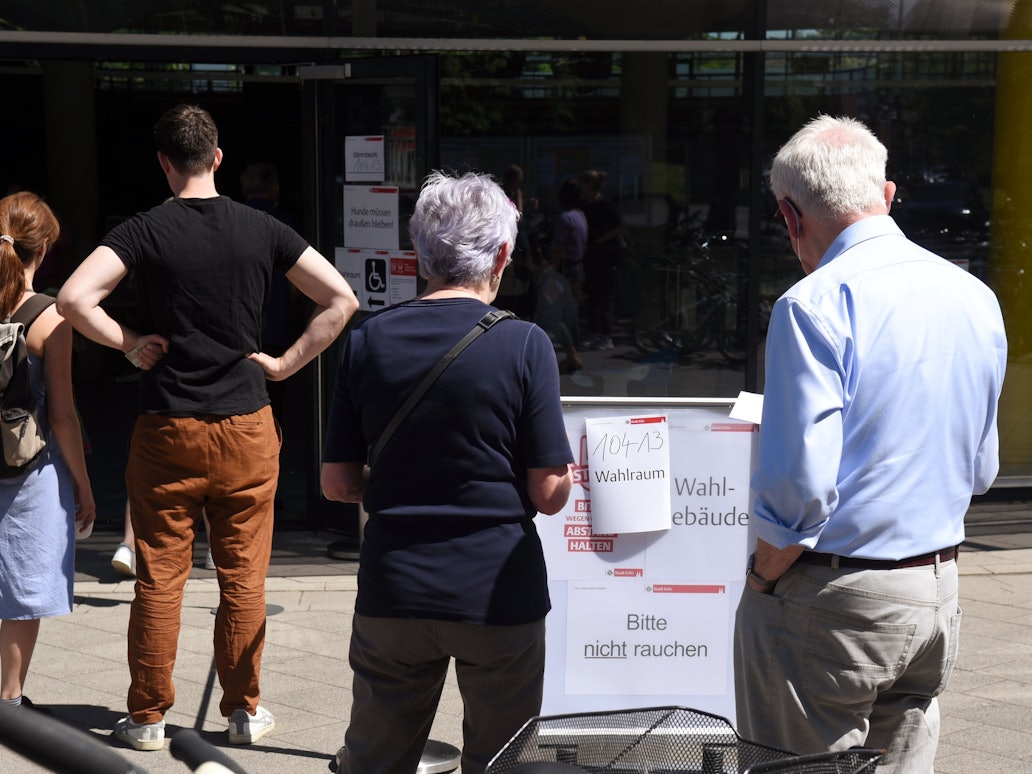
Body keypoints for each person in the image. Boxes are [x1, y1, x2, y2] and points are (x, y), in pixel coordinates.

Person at [56, 103, 359, 751]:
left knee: (159, 578)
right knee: (244, 577)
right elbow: (342, 300)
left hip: (167, 425)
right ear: (217, 157)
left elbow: (74, 299)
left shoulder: (144, 230)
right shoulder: (262, 228)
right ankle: (243, 711)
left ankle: (145, 719)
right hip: (247, 423)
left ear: (165, 162)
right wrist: (283, 365)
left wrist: (130, 342)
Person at [733, 115, 1007, 772]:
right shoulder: (975, 296)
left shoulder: (813, 304)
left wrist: (761, 580)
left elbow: (799, 493)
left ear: (790, 218)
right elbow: (982, 472)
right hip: (935, 587)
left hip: (833, 594)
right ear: (887, 196)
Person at [321, 170, 573, 773]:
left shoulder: (367, 340)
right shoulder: (525, 344)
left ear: (419, 253)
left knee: (376, 759)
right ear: (503, 255)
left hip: (395, 585)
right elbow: (548, 493)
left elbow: (337, 484)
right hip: (496, 593)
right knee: (501, 762)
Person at [0, 192, 96, 713]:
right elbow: (61, 414)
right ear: (43, 251)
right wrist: (83, 484)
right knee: (21, 587)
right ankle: (9, 700)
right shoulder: (48, 318)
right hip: (28, 469)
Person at [578, 169, 624, 350]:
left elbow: (619, 227)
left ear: (590, 184)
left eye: (583, 183)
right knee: (590, 294)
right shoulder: (583, 204)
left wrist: (600, 240)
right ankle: (594, 332)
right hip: (589, 254)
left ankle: (605, 334)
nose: (581, 187)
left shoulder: (605, 204)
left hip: (604, 255)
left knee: (603, 295)